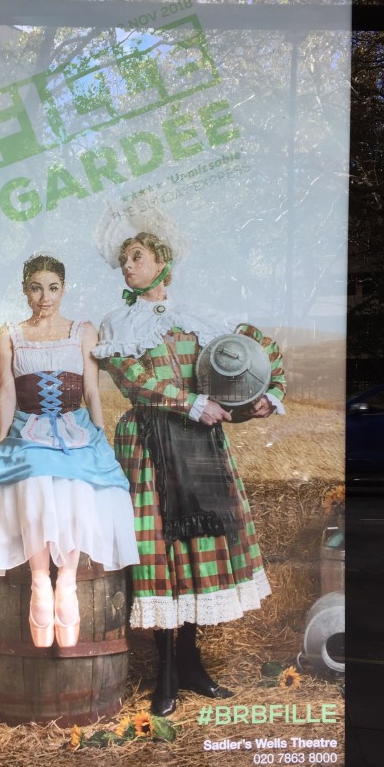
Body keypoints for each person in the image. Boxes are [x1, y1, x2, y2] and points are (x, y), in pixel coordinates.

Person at [93, 223, 286, 714]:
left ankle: (191, 663)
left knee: (195, 546)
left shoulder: (199, 315)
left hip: (199, 444)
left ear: (162, 262)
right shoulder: (119, 323)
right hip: (150, 444)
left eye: (137, 257)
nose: (128, 266)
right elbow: (134, 382)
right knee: (159, 550)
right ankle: (164, 675)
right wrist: (189, 401)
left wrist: (266, 397)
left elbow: (254, 353)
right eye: (125, 260)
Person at [0, 254, 138, 648]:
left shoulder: (83, 331)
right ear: (25, 290)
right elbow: (6, 391)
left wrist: (101, 438)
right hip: (31, 427)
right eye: (37, 288)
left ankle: (69, 584)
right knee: (37, 477)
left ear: (64, 288)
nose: (45, 296)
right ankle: (42, 581)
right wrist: (4, 441)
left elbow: (92, 390)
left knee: (78, 482)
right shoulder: (10, 333)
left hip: (75, 427)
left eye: (53, 287)